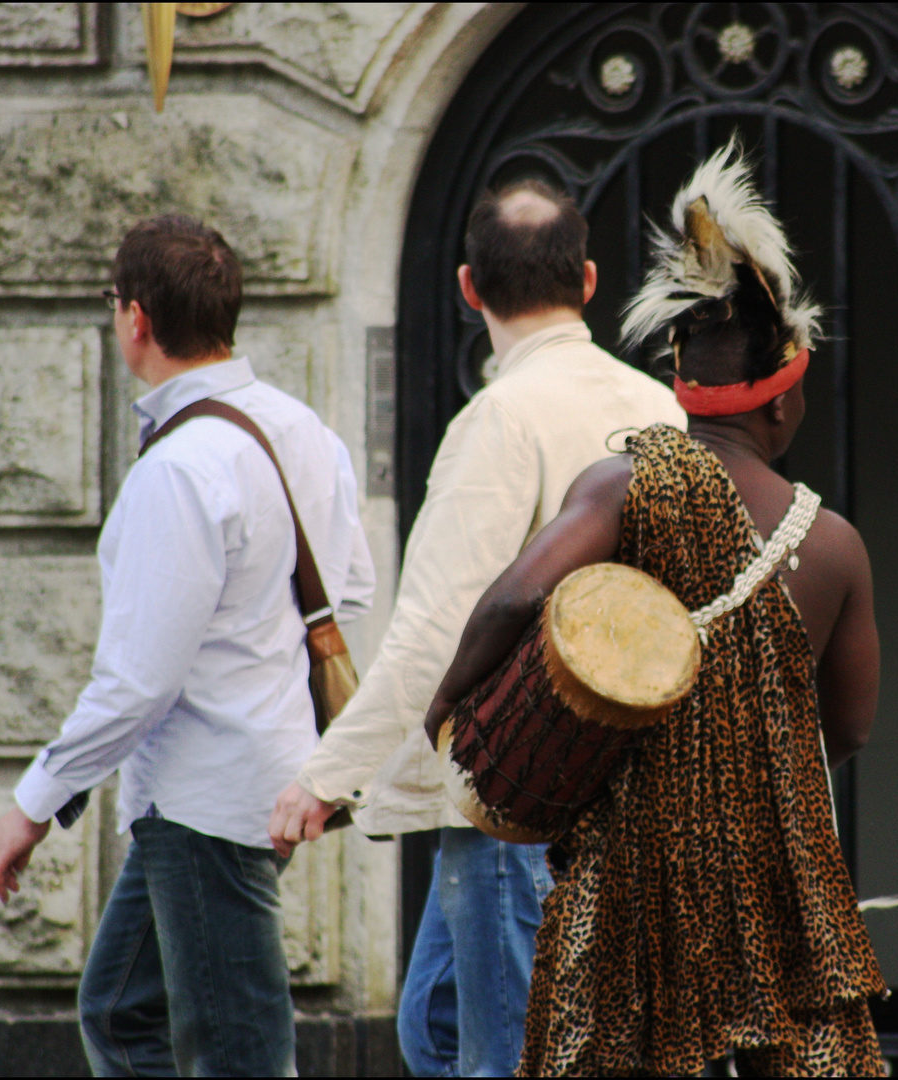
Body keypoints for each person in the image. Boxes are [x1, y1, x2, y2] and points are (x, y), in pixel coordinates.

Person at [424, 142, 887, 1077]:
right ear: (784, 401)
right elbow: (845, 727)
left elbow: (515, 595)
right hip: (774, 868)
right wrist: (746, 761)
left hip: (633, 859)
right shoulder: (831, 543)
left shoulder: (625, 482)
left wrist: (446, 710)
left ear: (682, 385)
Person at [267, 180, 684, 1076]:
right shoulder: (664, 408)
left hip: (518, 786)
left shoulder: (499, 417)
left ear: (467, 288)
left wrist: (324, 777)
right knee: (435, 1031)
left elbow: (435, 634)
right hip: (630, 781)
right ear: (588, 278)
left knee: (492, 1056)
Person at [0, 215, 376, 1077]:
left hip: (207, 799)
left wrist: (34, 802)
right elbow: (350, 592)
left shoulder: (179, 466)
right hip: (249, 783)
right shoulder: (304, 429)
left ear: (136, 318)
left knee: (237, 1055)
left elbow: (137, 684)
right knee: (122, 1014)